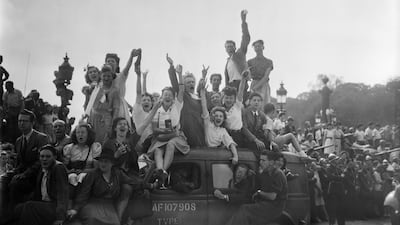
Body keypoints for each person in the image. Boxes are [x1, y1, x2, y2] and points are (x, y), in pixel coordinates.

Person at [66, 148, 143, 225]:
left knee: (115, 223)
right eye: (101, 161)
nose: (103, 164)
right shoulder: (92, 174)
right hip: (92, 204)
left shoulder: (117, 173)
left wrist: (151, 186)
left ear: (112, 163)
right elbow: (83, 194)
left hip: (109, 206)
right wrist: (75, 209)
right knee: (93, 220)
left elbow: (133, 182)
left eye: (106, 162)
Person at [148, 62, 190, 187]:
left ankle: (163, 172)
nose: (167, 97)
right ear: (161, 97)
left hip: (176, 136)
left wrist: (180, 74)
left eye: (170, 95)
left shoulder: (177, 106)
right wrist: (165, 132)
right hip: (163, 136)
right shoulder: (157, 110)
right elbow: (154, 129)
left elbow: (181, 90)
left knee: (171, 144)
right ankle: (161, 171)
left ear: (173, 97)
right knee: (157, 151)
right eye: (165, 94)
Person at [225, 151, 288, 225]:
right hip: (265, 203)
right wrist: (250, 176)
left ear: (271, 162)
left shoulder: (278, 174)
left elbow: (272, 196)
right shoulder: (264, 173)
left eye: (263, 160)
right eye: (260, 160)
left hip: (274, 206)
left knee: (245, 209)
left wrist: (259, 193)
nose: (261, 162)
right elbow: (257, 185)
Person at [13, 145, 69, 225]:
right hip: (44, 203)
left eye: (48, 156)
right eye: (42, 156)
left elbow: (62, 193)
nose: (44, 159)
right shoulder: (42, 168)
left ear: (55, 157)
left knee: (30, 206)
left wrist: (60, 217)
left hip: (54, 206)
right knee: (19, 208)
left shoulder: (58, 168)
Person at [9, 109, 49, 206]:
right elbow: (19, 162)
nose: (21, 123)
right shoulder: (18, 141)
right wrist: (13, 171)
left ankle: (16, 213)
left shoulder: (41, 138)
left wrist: (25, 174)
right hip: (21, 174)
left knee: (15, 183)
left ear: (32, 122)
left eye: (25, 121)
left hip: (35, 176)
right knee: (4, 178)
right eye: (20, 121)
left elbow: (42, 161)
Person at [167, 54, 205, 147]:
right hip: (188, 126)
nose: (191, 84)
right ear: (184, 84)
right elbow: (175, 84)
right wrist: (172, 67)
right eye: (188, 82)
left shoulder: (198, 96)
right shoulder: (184, 95)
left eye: (192, 82)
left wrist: (203, 76)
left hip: (200, 126)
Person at [200, 80, 239, 165]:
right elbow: (203, 105)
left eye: (221, 116)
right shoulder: (208, 124)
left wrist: (235, 156)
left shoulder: (223, 130)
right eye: (216, 116)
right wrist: (202, 91)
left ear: (223, 119)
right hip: (205, 153)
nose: (218, 118)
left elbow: (231, 143)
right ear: (213, 117)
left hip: (217, 156)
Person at [105, 49, 141, 128]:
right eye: (108, 61)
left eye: (112, 61)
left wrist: (131, 57)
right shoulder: (102, 79)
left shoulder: (120, 76)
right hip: (106, 107)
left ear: (117, 65)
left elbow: (127, 68)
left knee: (119, 127)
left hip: (119, 107)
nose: (110, 63)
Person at [88, 64, 121, 143]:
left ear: (112, 77)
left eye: (109, 76)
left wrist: (113, 125)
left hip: (105, 119)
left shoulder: (114, 91)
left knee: (103, 140)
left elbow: (116, 109)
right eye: (104, 76)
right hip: (93, 117)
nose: (106, 78)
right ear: (101, 76)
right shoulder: (96, 88)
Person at [63, 123, 102, 187]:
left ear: (88, 134)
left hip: (88, 176)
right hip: (72, 175)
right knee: (72, 178)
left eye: (83, 132)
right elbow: (65, 166)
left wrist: (83, 171)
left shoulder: (94, 147)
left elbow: (96, 168)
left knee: (83, 177)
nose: (80, 134)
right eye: (78, 132)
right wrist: (70, 171)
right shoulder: (69, 148)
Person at [221, 72, 251, 147]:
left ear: (234, 99)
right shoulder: (221, 109)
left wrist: (243, 78)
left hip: (239, 135)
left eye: (231, 98)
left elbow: (241, 90)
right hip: (226, 134)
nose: (228, 100)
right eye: (227, 98)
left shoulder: (237, 105)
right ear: (223, 98)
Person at [224, 10, 250, 97]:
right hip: (231, 86)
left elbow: (246, 38)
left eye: (231, 46)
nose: (229, 48)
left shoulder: (240, 53)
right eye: (227, 47)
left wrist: (243, 22)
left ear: (235, 48)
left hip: (241, 83)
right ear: (225, 49)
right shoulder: (228, 62)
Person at [132, 65, 154, 152]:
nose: (146, 101)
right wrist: (139, 76)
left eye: (148, 100)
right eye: (144, 100)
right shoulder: (138, 111)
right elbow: (139, 92)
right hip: (140, 145)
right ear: (140, 103)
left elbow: (145, 93)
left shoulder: (153, 113)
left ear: (152, 103)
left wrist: (145, 78)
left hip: (152, 144)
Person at [247, 39, 273, 105]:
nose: (257, 48)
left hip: (264, 85)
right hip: (254, 83)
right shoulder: (250, 62)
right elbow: (248, 76)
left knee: (264, 105)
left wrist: (255, 88)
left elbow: (265, 77)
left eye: (259, 46)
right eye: (255, 47)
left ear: (263, 47)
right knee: (253, 104)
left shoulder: (268, 62)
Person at [326, 154, 346, 225]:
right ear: (332, 161)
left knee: (341, 210)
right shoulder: (329, 168)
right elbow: (330, 177)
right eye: (335, 160)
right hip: (333, 191)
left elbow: (343, 177)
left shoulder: (337, 169)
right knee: (333, 211)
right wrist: (339, 177)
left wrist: (338, 177)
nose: (337, 161)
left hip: (340, 191)